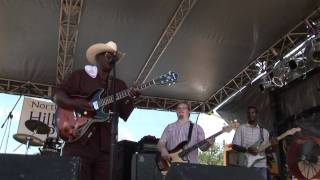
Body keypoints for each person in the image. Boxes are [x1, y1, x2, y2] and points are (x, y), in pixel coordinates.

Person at [53, 41, 139, 180]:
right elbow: (57, 95)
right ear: (97, 57)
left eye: (114, 56)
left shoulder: (119, 85)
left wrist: (131, 97)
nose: (112, 58)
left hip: (107, 148)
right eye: (107, 54)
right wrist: (75, 104)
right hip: (78, 143)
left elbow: (125, 113)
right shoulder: (80, 76)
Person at [231, 106, 277, 180]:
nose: (250, 115)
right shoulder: (241, 128)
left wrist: (274, 146)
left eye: (253, 112)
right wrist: (247, 150)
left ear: (257, 114)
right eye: (248, 113)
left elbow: (267, 151)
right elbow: (234, 146)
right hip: (245, 165)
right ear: (247, 115)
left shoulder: (264, 132)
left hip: (260, 167)